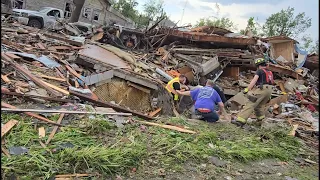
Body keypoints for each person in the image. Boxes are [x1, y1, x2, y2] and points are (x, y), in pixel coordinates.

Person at [231, 58, 274, 127]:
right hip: (269, 90)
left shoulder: (259, 71)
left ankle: (240, 121)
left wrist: (247, 89)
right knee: (259, 106)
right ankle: (261, 121)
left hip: (262, 89)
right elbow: (271, 83)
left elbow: (254, 81)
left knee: (250, 103)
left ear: (258, 65)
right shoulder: (270, 72)